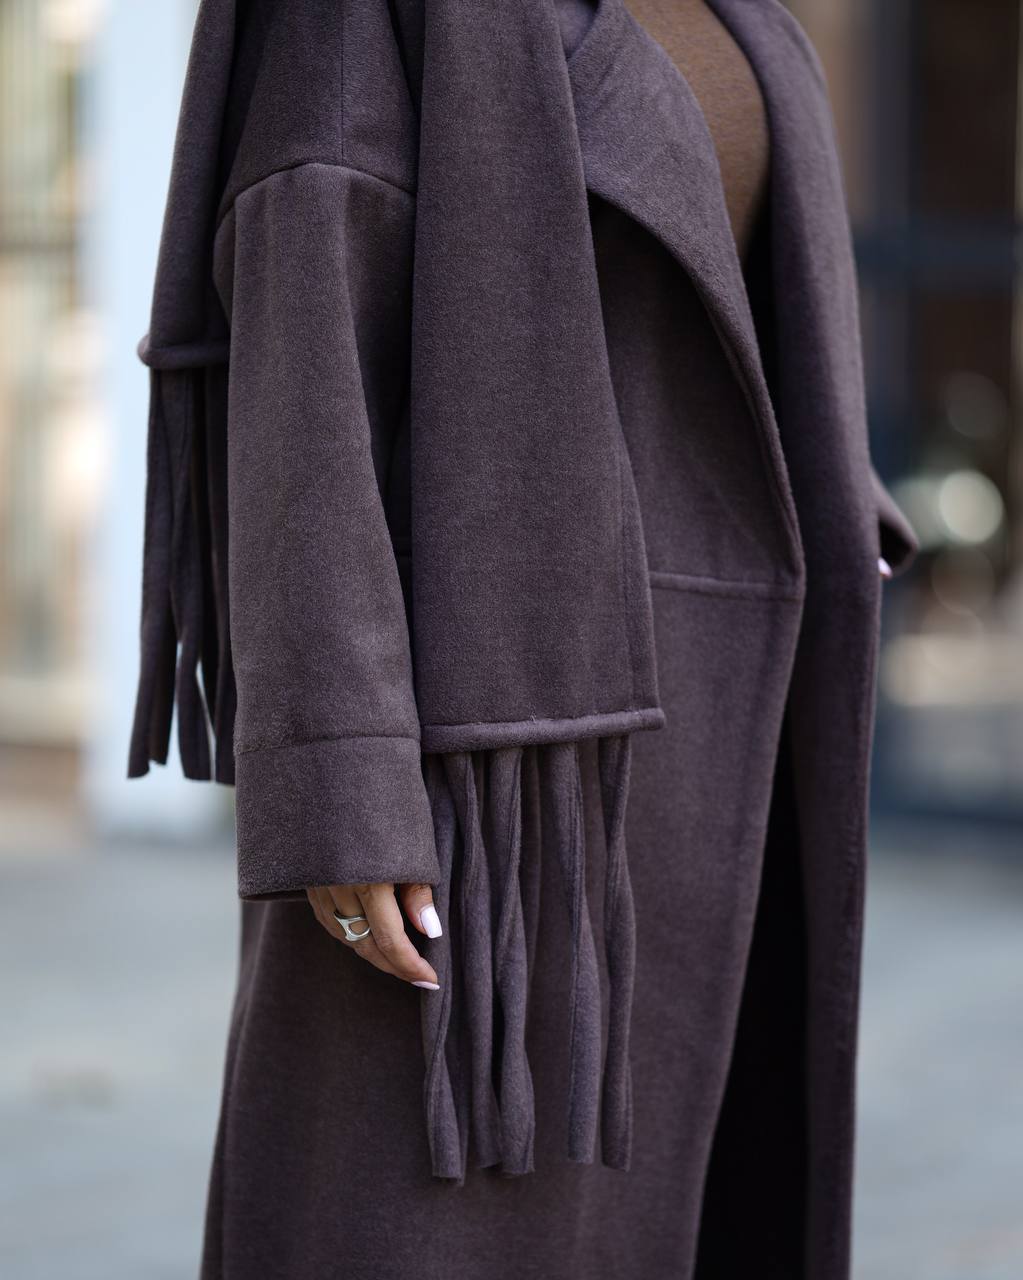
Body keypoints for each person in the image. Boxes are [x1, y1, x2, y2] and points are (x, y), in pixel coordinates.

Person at [127, 2, 919, 1277]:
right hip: (481, 765)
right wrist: (340, 768)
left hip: (721, 720)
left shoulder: (740, 12)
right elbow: (306, 305)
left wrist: (833, 485)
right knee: (422, 1215)